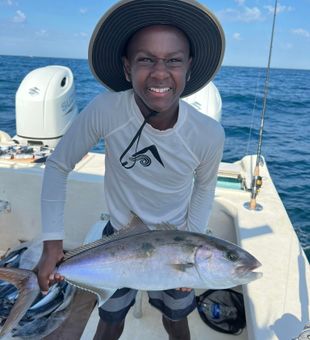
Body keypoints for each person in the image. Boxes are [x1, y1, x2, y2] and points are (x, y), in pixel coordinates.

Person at [37, 0, 225, 339]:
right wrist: (53, 246)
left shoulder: (208, 134)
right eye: (146, 59)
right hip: (119, 236)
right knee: (110, 320)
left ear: (189, 67)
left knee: (176, 321)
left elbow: (204, 188)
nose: (159, 72)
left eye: (173, 61)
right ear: (127, 68)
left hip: (176, 239)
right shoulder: (107, 110)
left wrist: (191, 248)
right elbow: (57, 165)